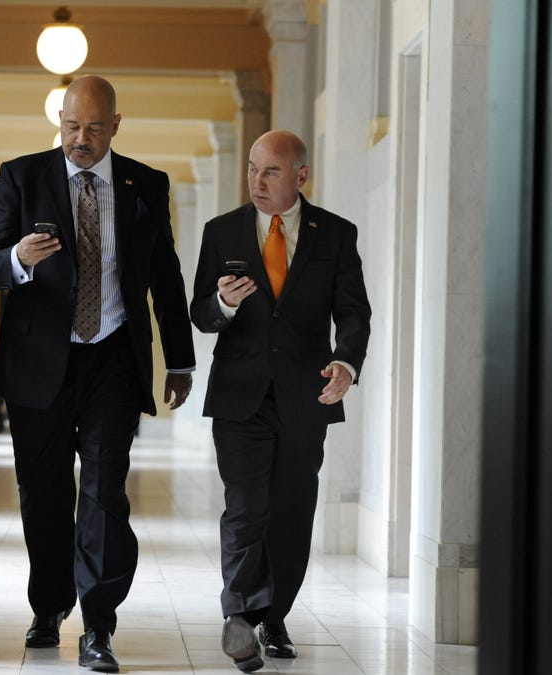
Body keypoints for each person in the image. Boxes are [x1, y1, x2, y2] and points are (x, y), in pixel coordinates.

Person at [0, 74, 196, 673]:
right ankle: (48, 607)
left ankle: (99, 625)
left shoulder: (146, 183)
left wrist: (179, 357)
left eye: (94, 128)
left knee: (104, 494)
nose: (80, 138)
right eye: (71, 126)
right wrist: (18, 259)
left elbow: (165, 275)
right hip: (38, 362)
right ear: (60, 121)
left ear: (116, 126)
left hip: (112, 359)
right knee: (43, 495)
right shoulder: (21, 176)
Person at [189, 129, 371, 672]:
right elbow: (199, 313)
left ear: (301, 176)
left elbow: (354, 311)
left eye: (270, 171)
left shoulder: (335, 234)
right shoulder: (221, 231)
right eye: (251, 169)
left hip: (304, 395)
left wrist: (346, 362)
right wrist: (222, 302)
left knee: (291, 513)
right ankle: (240, 617)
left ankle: (274, 617)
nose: (257, 181)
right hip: (239, 396)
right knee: (246, 507)